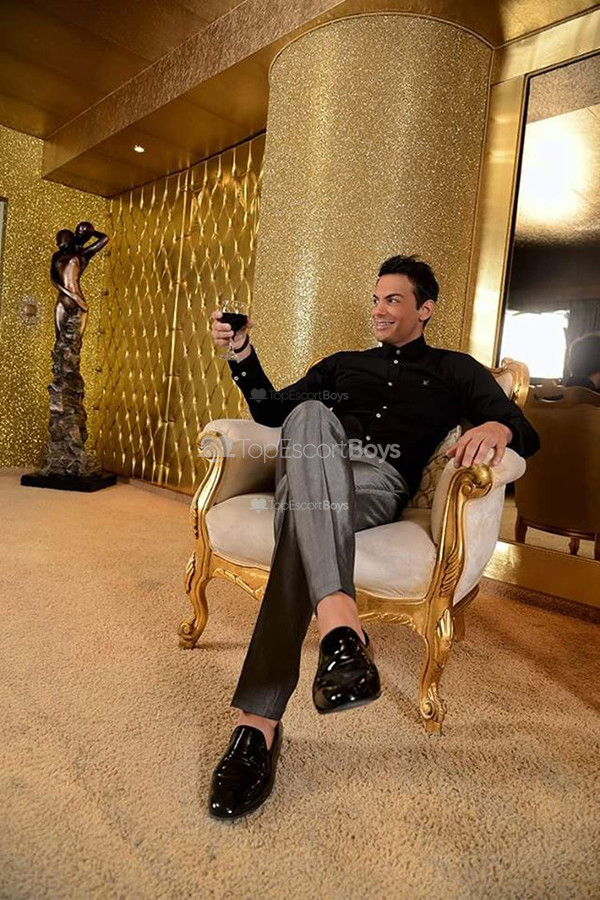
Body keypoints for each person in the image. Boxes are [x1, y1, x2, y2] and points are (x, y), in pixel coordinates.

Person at [207, 254, 540, 819]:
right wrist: (241, 353)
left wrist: (495, 424)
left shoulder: (456, 370)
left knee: (301, 520)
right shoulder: (342, 365)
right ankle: (340, 628)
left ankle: (257, 725)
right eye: (377, 299)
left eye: (393, 300)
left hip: (375, 486)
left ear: (424, 309)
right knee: (308, 416)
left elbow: (526, 433)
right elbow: (269, 411)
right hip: (311, 468)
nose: (379, 310)